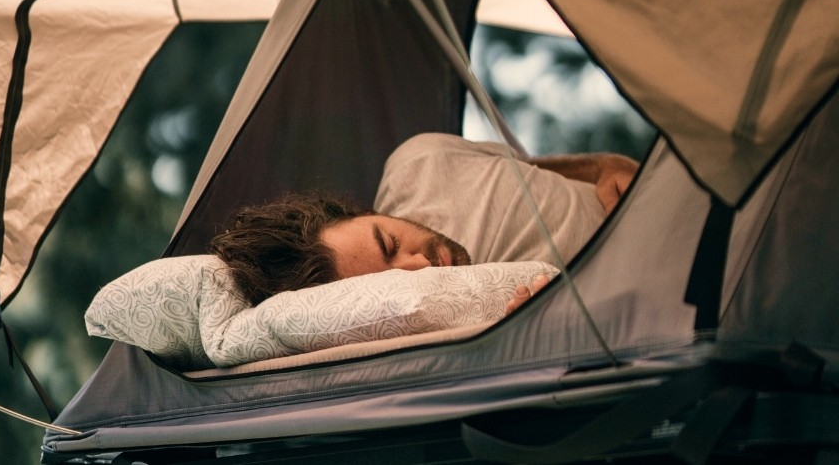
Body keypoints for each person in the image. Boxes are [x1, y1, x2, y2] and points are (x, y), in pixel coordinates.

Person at [211, 133, 638, 309]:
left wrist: (607, 167)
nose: (419, 266)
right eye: (392, 283)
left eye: (390, 244)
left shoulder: (422, 157)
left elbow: (536, 168)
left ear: (363, 211)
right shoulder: (463, 318)